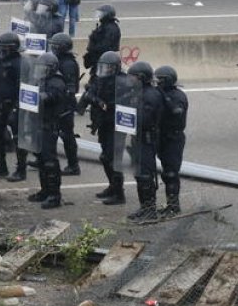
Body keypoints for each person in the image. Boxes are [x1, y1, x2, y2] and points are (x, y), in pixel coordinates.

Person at [77, 51, 127, 205]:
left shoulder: (123, 82)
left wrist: (97, 101)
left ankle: (119, 193)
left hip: (116, 126)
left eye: (108, 68)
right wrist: (93, 100)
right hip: (103, 123)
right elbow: (90, 93)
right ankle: (112, 186)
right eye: (103, 67)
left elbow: (114, 104)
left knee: (113, 159)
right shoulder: (99, 79)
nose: (105, 70)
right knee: (105, 157)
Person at [27, 52, 69, 209]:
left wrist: (37, 96)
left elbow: (51, 97)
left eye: (44, 68)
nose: (41, 71)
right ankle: (45, 190)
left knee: (50, 161)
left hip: (49, 125)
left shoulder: (57, 82)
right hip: (39, 123)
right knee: (41, 159)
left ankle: (54, 195)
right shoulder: (42, 80)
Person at [0, 33, 27, 181]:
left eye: (4, 48)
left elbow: (22, 88)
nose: (1, 51)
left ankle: (21, 170)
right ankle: (0, 167)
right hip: (0, 104)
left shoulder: (19, 64)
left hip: (14, 105)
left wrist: (16, 108)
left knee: (18, 138)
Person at [127, 61, 166, 221]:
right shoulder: (139, 92)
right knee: (139, 174)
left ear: (141, 78)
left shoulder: (151, 95)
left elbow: (147, 120)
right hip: (138, 137)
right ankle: (144, 207)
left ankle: (150, 209)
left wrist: (129, 116)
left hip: (147, 139)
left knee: (145, 175)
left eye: (133, 77)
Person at [156, 65, 188, 217]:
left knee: (171, 173)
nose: (158, 83)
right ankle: (168, 204)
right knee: (164, 172)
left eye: (160, 80)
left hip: (174, 138)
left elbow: (177, 112)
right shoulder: (158, 94)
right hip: (161, 136)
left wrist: (163, 96)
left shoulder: (178, 96)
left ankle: (174, 206)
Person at [50, 33, 82, 175]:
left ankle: (73, 165)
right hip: (57, 104)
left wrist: (63, 103)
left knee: (67, 135)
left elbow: (70, 88)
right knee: (51, 133)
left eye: (55, 46)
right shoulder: (58, 60)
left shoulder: (68, 63)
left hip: (65, 106)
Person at [83, 5, 121, 80]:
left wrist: (94, 49)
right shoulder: (103, 26)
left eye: (101, 14)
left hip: (104, 59)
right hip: (99, 58)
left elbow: (106, 45)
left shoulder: (111, 28)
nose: (99, 16)